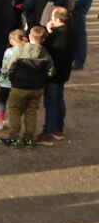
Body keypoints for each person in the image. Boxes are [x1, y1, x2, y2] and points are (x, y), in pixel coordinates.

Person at [2, 25, 53, 148]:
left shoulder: (20, 50)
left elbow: (11, 66)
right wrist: (42, 80)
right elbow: (50, 71)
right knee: (31, 112)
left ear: (29, 37)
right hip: (37, 88)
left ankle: (13, 138)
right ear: (43, 40)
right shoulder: (45, 53)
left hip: (19, 87)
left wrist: (13, 79)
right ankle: (28, 139)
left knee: (14, 111)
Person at [38, 9, 73, 144]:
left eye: (52, 17)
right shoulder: (71, 31)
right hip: (64, 72)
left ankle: (47, 134)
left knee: (51, 104)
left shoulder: (58, 35)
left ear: (58, 20)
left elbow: (45, 48)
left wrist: (48, 31)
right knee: (59, 100)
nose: (51, 19)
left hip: (53, 74)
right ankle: (58, 129)